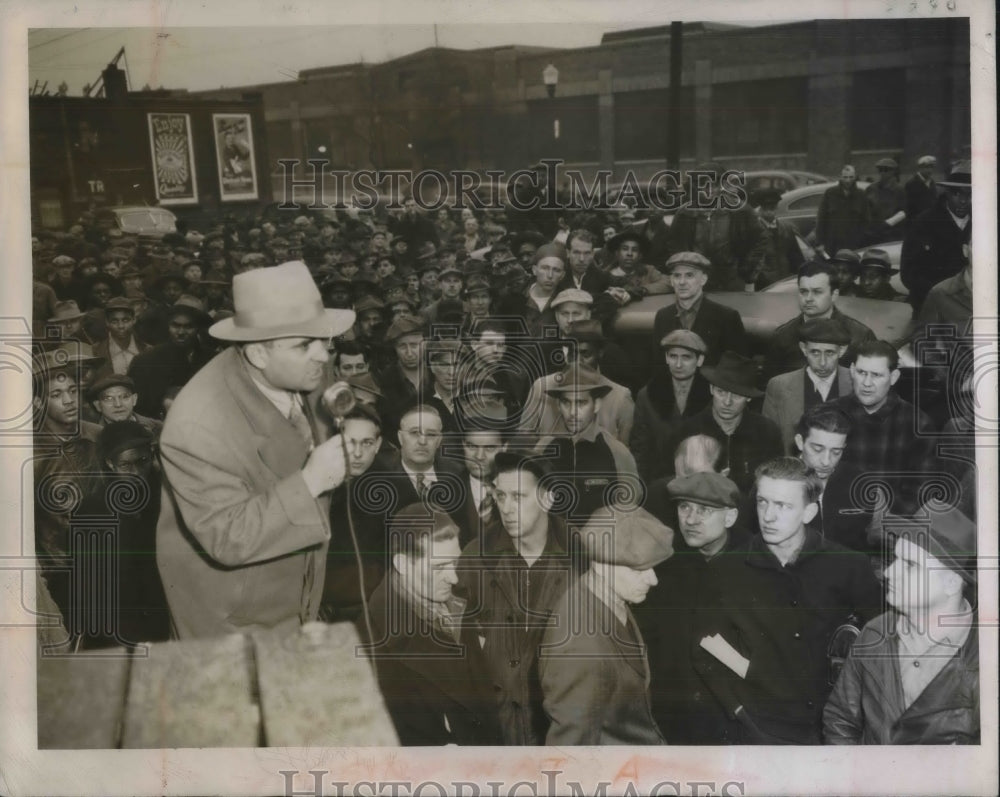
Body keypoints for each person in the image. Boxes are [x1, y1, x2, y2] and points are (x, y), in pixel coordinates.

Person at [155, 262, 356, 639]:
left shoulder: (300, 368)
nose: (323, 356)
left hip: (298, 588)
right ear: (258, 355)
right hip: (232, 617)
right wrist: (311, 480)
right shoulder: (196, 426)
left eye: (323, 340)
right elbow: (228, 537)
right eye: (304, 344)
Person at [694, 457, 882, 744]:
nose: (768, 516)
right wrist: (738, 711)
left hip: (832, 728)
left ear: (809, 512)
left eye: (782, 506)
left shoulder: (848, 565)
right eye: (762, 502)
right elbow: (704, 648)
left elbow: (882, 641)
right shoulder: (725, 570)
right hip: (757, 727)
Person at [824, 501, 979, 744]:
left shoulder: (985, 658)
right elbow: (840, 719)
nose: (888, 573)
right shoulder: (875, 632)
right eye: (895, 559)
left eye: (910, 565)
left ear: (951, 583)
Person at [459, 453, 582, 745]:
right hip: (494, 727)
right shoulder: (475, 558)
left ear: (548, 499)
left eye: (518, 497)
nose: (506, 508)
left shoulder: (582, 559)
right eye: (501, 496)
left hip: (559, 726)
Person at [364, 504, 502, 746]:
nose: (454, 577)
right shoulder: (372, 643)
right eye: (439, 567)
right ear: (403, 564)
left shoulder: (457, 603)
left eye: (454, 563)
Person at [539, 506, 673, 745]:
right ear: (601, 565)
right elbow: (569, 753)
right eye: (638, 569)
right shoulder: (580, 649)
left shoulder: (606, 595)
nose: (653, 579)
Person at [638, 471, 750, 743]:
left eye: (705, 510)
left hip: (734, 719)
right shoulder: (660, 564)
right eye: (684, 506)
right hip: (672, 716)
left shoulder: (755, 566)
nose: (690, 519)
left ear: (730, 517)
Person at [828, 339, 937, 513]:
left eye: (876, 375)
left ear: (893, 377)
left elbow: (920, 493)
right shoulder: (827, 414)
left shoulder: (919, 424)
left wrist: (880, 522)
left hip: (889, 529)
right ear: (851, 371)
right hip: (832, 522)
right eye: (861, 372)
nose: (867, 383)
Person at [666, 351, 783, 493]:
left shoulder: (767, 433)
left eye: (737, 395)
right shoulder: (687, 432)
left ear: (749, 398)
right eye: (721, 392)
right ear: (711, 389)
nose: (727, 402)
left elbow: (776, 485)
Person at [534, 364, 639, 521]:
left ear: (596, 405)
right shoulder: (543, 449)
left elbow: (630, 510)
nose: (572, 412)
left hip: (600, 542)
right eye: (566, 402)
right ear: (557, 405)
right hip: (555, 542)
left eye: (581, 403)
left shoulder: (617, 452)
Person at [319, 404, 389, 622]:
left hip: (374, 612)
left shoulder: (394, 489)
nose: (358, 453)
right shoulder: (315, 483)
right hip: (319, 610)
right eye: (350, 442)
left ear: (377, 445)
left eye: (367, 443)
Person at [519, 321, 634, 444]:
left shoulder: (620, 397)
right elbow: (522, 441)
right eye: (573, 353)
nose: (578, 361)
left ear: (600, 353)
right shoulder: (541, 387)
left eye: (586, 353)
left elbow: (626, 454)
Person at [764, 260, 875, 379]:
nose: (808, 298)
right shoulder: (783, 336)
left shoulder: (860, 336)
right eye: (803, 291)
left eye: (817, 292)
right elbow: (771, 386)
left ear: (834, 295)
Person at [666, 163, 765, 291]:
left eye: (714, 185)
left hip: (732, 279)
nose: (710, 190)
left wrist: (747, 268)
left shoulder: (740, 210)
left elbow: (760, 239)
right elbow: (674, 243)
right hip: (697, 280)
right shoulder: (685, 213)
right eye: (704, 185)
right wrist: (685, 267)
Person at [631, 329, 713, 482]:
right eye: (673, 356)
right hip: (658, 481)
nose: (678, 364)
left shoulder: (713, 395)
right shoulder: (648, 395)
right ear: (666, 358)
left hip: (701, 481)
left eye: (686, 357)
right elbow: (639, 448)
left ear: (700, 360)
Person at [762, 318, 854, 453]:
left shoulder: (857, 383)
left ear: (842, 350)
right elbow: (768, 442)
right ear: (803, 349)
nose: (822, 362)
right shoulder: (779, 386)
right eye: (815, 352)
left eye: (829, 353)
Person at [793, 405, 873, 556]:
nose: (826, 461)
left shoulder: (861, 483)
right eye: (817, 449)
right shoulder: (773, 482)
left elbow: (879, 537)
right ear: (799, 442)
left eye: (836, 452)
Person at [900, 161, 972, 314]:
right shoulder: (924, 223)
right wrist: (940, 296)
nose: (964, 201)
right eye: (957, 194)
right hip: (932, 309)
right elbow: (909, 273)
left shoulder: (984, 224)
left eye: (969, 194)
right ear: (946, 193)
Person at [652, 251, 748, 365]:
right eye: (677, 276)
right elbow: (657, 365)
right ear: (671, 281)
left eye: (689, 275)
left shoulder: (726, 317)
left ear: (703, 279)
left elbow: (737, 369)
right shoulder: (663, 316)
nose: (682, 282)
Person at [128, 295, 215, 418]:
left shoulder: (212, 360)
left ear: (198, 328)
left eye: (188, 327)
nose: (180, 332)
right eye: (176, 325)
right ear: (168, 325)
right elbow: (138, 409)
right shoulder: (146, 361)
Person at [754, 187, 805, 289]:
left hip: (785, 281)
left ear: (776, 207)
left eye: (772, 208)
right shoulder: (754, 230)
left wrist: (799, 276)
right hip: (764, 284)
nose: (769, 212)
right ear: (760, 209)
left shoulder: (787, 228)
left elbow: (795, 256)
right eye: (765, 208)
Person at [814, 164, 871, 256]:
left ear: (855, 177)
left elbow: (866, 221)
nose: (848, 180)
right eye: (845, 177)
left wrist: (862, 240)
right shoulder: (830, 193)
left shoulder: (861, 195)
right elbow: (821, 219)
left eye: (851, 177)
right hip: (833, 244)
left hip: (854, 245)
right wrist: (820, 242)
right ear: (840, 177)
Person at [86, 374, 163, 436]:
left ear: (134, 399)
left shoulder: (159, 429)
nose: (118, 404)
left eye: (125, 397)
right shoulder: (91, 436)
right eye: (108, 399)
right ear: (98, 406)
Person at [91, 296, 148, 377]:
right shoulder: (95, 352)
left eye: (126, 320)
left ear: (134, 320)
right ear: (107, 322)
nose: (121, 326)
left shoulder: (147, 350)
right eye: (114, 321)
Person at [604, 228, 671, 297]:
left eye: (634, 250)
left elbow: (669, 282)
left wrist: (643, 290)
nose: (629, 253)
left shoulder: (648, 271)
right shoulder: (605, 276)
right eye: (625, 249)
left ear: (640, 256)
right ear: (617, 253)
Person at [864, 157, 908, 239]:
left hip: (892, 233)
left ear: (893, 172)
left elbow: (904, 212)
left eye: (886, 170)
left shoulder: (900, 190)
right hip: (873, 233)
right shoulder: (871, 188)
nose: (883, 173)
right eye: (880, 170)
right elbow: (866, 209)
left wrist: (888, 223)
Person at [903, 155, 939, 222]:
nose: (930, 170)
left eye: (931, 167)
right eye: (927, 167)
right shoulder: (911, 184)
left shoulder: (932, 182)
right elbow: (908, 207)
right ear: (920, 168)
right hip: (917, 222)